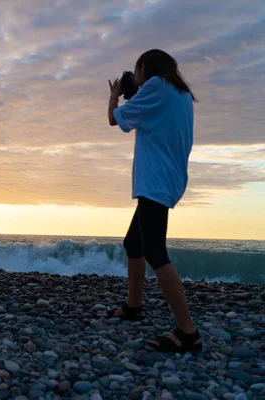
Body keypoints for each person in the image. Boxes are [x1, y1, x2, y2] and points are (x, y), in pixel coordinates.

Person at [106, 49, 202, 353]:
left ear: (145, 67)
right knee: (134, 245)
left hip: (156, 181)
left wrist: (115, 95)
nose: (135, 77)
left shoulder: (156, 86)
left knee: (155, 252)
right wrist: (135, 94)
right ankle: (134, 306)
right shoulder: (179, 93)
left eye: (136, 71)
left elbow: (114, 120)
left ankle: (188, 333)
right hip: (168, 179)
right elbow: (151, 113)